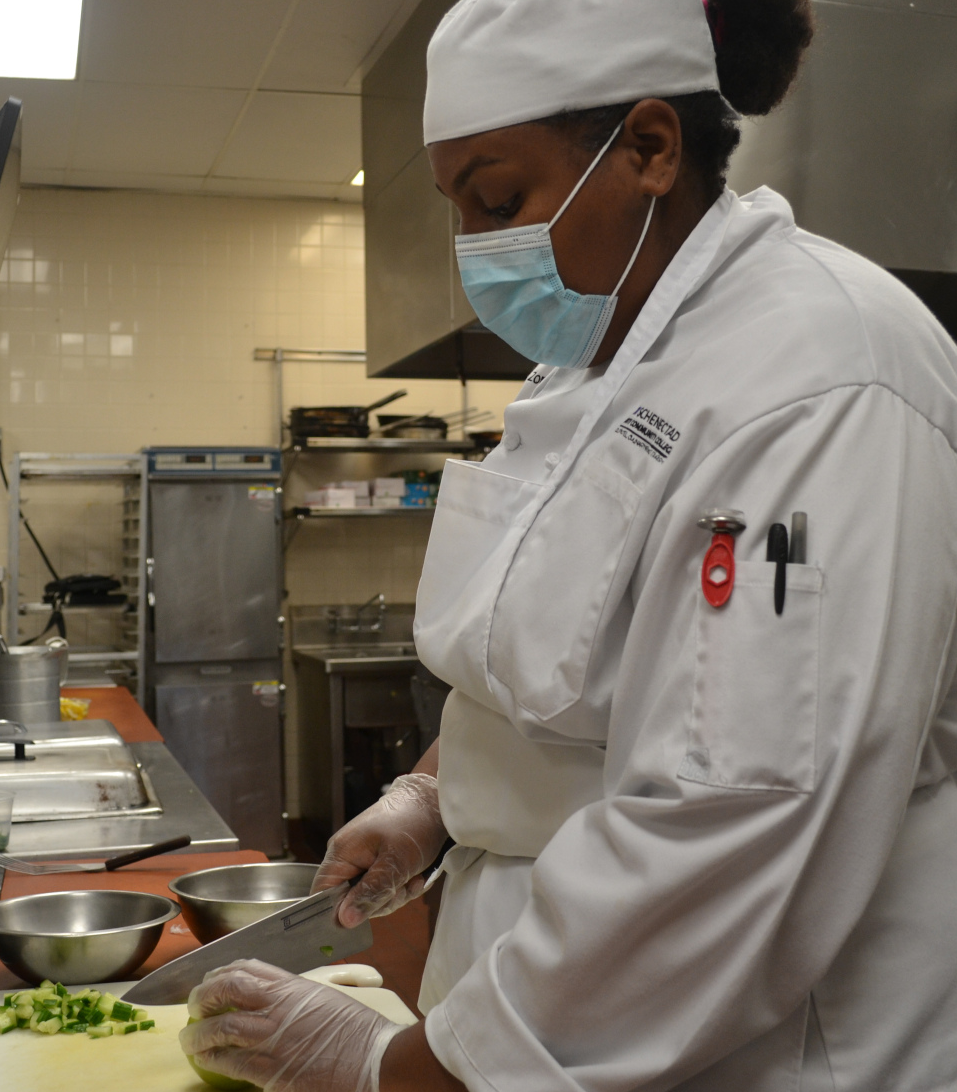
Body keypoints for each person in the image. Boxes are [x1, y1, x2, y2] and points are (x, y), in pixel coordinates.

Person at [180, 0, 957, 1088]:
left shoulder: (820, 370)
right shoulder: (589, 373)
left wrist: (398, 1071)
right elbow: (564, 662)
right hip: (536, 1024)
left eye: (499, 200)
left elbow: (733, 823)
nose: (473, 251)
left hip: (756, 1048)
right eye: (459, 208)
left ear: (649, 148)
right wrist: (431, 801)